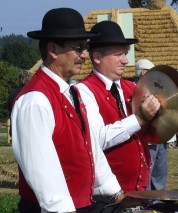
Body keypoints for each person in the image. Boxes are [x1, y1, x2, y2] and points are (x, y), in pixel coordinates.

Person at [11, 8, 124, 213]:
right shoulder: (36, 100)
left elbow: (92, 151)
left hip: (81, 205)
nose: (84, 55)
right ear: (53, 49)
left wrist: (116, 194)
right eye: (79, 47)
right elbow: (43, 173)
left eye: (85, 47)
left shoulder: (72, 93)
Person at [76, 21, 161, 193]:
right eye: (118, 54)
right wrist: (139, 118)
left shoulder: (132, 88)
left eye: (125, 53)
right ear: (97, 57)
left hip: (139, 189)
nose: (125, 60)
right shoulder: (83, 91)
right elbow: (98, 138)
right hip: (107, 196)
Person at [135, 58, 168, 191]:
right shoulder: (134, 89)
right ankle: (147, 202)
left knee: (160, 170)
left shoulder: (154, 88)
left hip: (159, 135)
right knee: (148, 169)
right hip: (147, 137)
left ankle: (159, 200)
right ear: (143, 73)